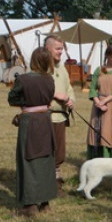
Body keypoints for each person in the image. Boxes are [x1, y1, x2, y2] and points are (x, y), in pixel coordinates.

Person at [9, 47, 57, 216]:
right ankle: (45, 203)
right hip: (45, 121)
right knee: (45, 159)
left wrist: (26, 102)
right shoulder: (50, 80)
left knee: (28, 160)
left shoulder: (23, 79)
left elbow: (12, 98)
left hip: (29, 122)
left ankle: (30, 206)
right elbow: (49, 99)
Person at [44, 35, 75, 193]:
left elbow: (69, 88)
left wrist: (70, 100)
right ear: (47, 48)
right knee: (45, 151)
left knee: (59, 152)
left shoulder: (62, 68)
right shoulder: (40, 66)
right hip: (45, 117)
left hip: (60, 117)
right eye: (57, 48)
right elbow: (35, 86)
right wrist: (55, 94)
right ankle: (44, 183)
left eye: (61, 49)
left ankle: (56, 183)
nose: (60, 52)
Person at [87, 45, 112, 160]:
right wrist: (98, 102)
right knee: (98, 132)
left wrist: (104, 100)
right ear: (107, 56)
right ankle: (97, 159)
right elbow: (92, 88)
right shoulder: (99, 70)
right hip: (99, 107)